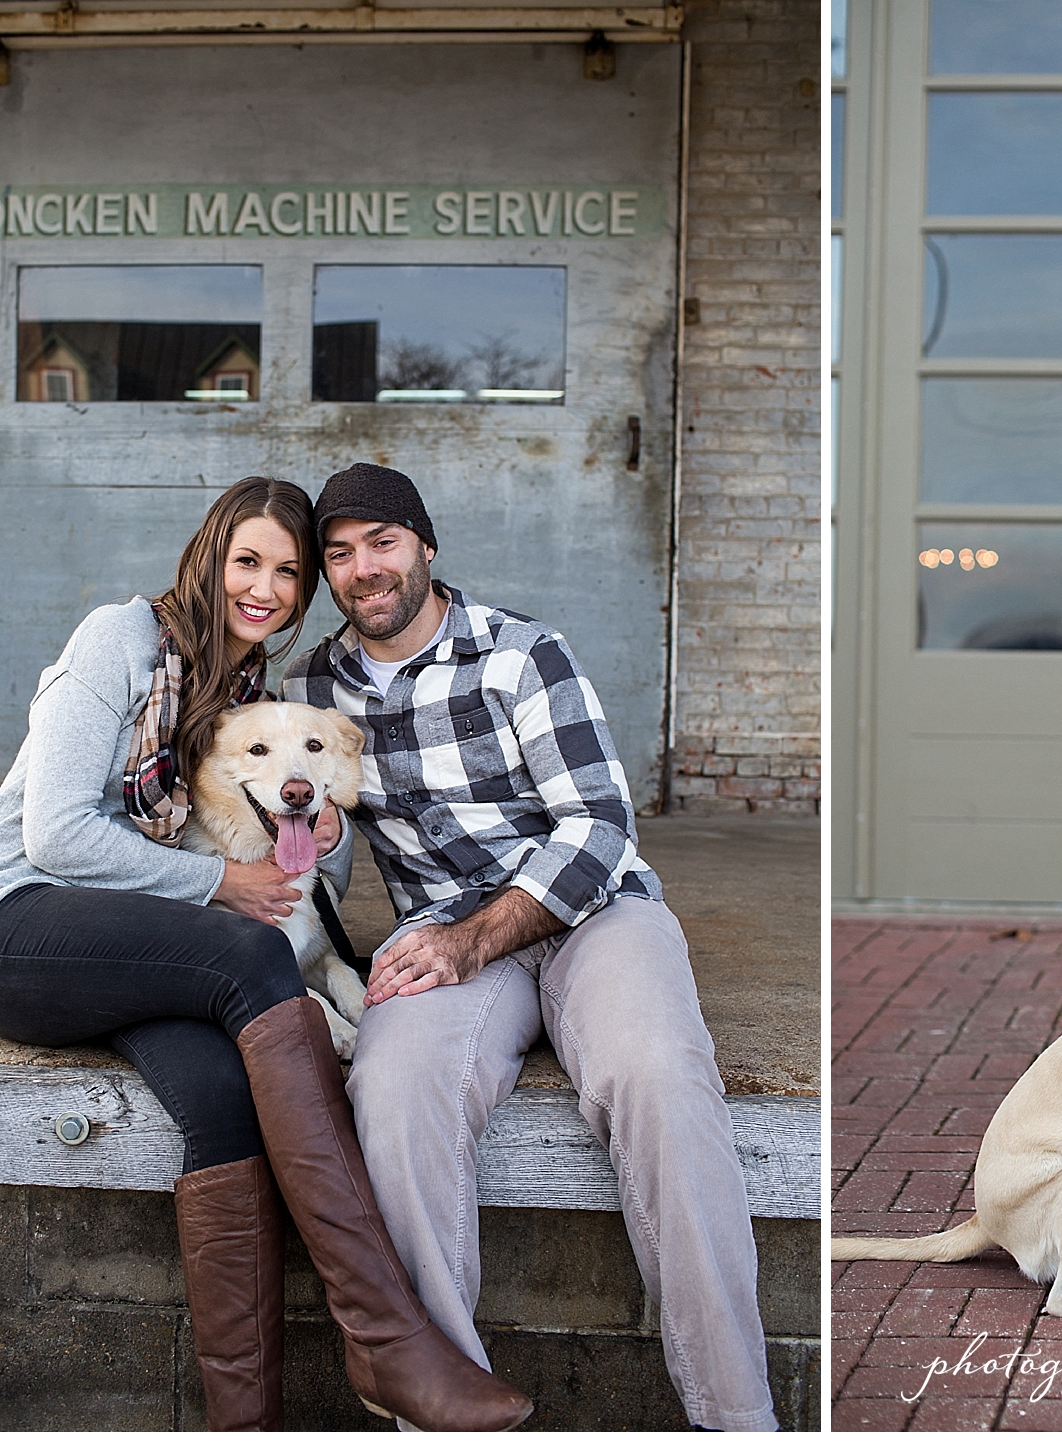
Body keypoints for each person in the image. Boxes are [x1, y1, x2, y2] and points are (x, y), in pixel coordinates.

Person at [0, 477, 534, 1431]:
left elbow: (269, 850)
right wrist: (220, 889)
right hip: (16, 925)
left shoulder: (243, 696)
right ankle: (388, 1339)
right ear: (209, 556)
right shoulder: (119, 641)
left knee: (224, 1096)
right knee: (246, 954)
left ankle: (240, 1421)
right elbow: (54, 835)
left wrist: (318, 847)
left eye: (289, 572)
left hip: (130, 948)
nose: (266, 587)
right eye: (248, 561)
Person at [286, 462, 778, 1432]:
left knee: (658, 1077)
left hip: (594, 913)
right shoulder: (310, 685)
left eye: (381, 542)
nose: (362, 570)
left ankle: (737, 1417)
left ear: (425, 546)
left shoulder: (521, 655)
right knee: (387, 1090)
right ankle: (443, 1405)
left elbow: (598, 827)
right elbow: (316, 851)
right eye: (337, 554)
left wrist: (476, 938)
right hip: (446, 934)